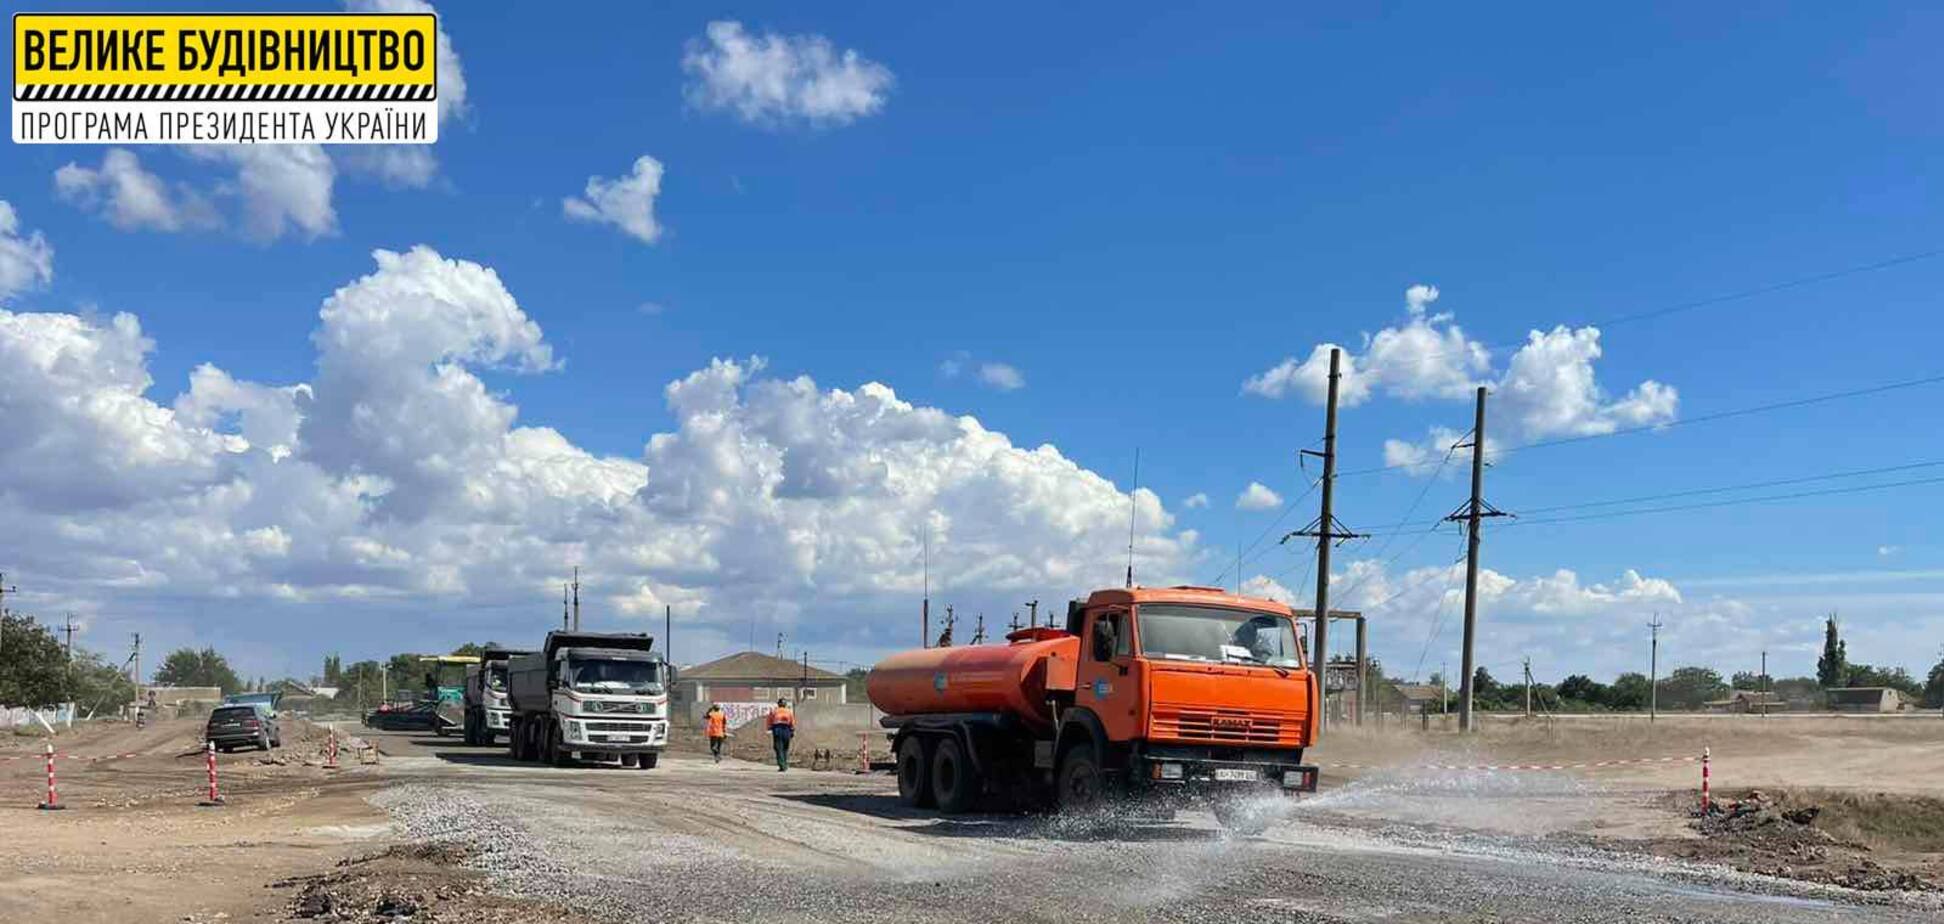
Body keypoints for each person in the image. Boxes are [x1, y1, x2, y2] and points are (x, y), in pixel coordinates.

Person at [765, 697, 796, 772]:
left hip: (777, 730)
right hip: (787, 730)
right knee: (785, 748)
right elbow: (792, 722)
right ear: (785, 704)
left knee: (779, 748)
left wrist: (769, 729)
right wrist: (792, 731)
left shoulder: (774, 711)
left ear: (778, 704)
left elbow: (769, 721)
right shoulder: (789, 712)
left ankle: (782, 765)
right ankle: (784, 764)